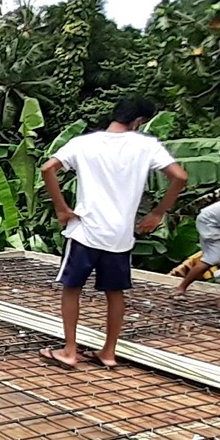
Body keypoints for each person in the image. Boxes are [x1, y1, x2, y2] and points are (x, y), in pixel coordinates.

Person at [40, 97, 188, 369]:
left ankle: (70, 351)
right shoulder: (146, 146)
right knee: (115, 292)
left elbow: (48, 168)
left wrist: (62, 208)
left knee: (72, 289)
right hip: (120, 235)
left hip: (85, 231)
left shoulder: (84, 143)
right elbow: (180, 176)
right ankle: (108, 352)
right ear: (139, 121)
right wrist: (157, 213)